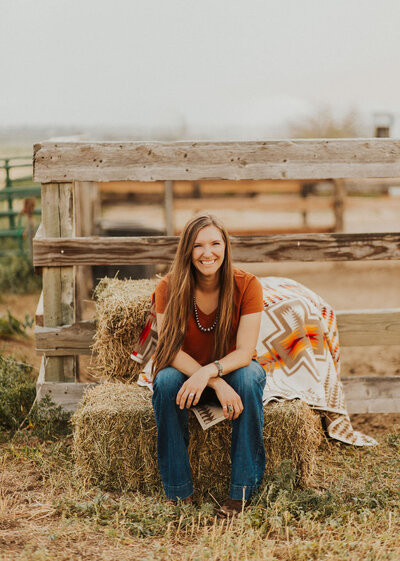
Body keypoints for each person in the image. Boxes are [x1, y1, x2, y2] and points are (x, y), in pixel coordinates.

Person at [152, 213, 266, 517]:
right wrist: (210, 380)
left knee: (250, 376)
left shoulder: (247, 285)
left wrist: (211, 373)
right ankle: (179, 494)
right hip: (188, 377)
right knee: (164, 381)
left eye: (215, 243)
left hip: (232, 373)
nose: (207, 253)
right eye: (198, 245)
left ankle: (240, 495)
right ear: (187, 250)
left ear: (226, 247)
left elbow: (245, 352)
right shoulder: (169, 287)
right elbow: (168, 349)